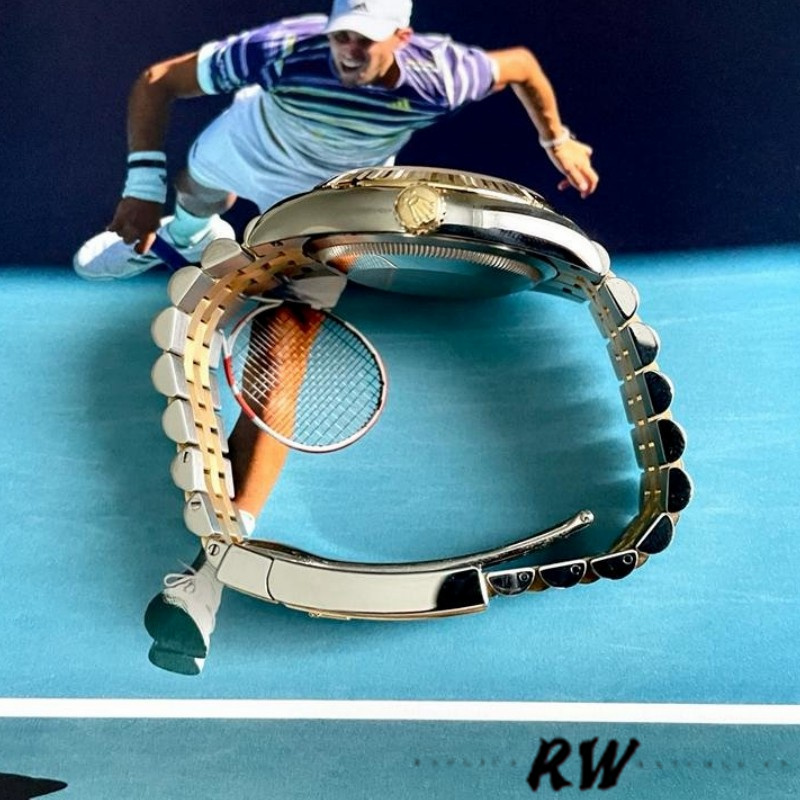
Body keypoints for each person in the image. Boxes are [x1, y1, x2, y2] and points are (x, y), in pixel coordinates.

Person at [78, 0, 599, 672]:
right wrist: (141, 184)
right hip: (248, 150)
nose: (349, 50)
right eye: (342, 36)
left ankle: (212, 570)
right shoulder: (284, 50)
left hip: (327, 204)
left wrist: (558, 140)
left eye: (366, 40)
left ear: (402, 38)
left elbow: (522, 66)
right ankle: (179, 235)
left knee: (280, 362)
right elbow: (159, 80)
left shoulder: (441, 74)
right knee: (195, 200)